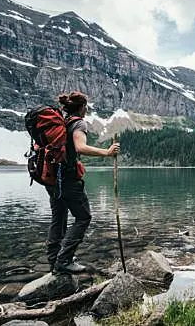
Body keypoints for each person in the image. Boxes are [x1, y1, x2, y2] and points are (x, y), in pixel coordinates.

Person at [46, 91, 119, 274]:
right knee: (84, 216)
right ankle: (64, 260)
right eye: (86, 106)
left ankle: (54, 260)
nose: (87, 109)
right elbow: (80, 147)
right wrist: (107, 152)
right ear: (82, 107)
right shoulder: (78, 122)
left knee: (59, 218)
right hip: (68, 179)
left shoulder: (62, 122)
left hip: (53, 178)